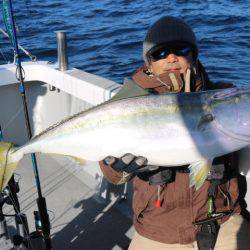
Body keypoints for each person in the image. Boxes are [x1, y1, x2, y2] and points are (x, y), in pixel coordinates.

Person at [99, 16, 250, 250]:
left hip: (223, 220)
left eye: (180, 49)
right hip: (158, 228)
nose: (171, 58)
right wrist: (116, 167)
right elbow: (112, 175)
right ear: (148, 63)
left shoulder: (224, 93)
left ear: (194, 55)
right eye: (160, 53)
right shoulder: (129, 102)